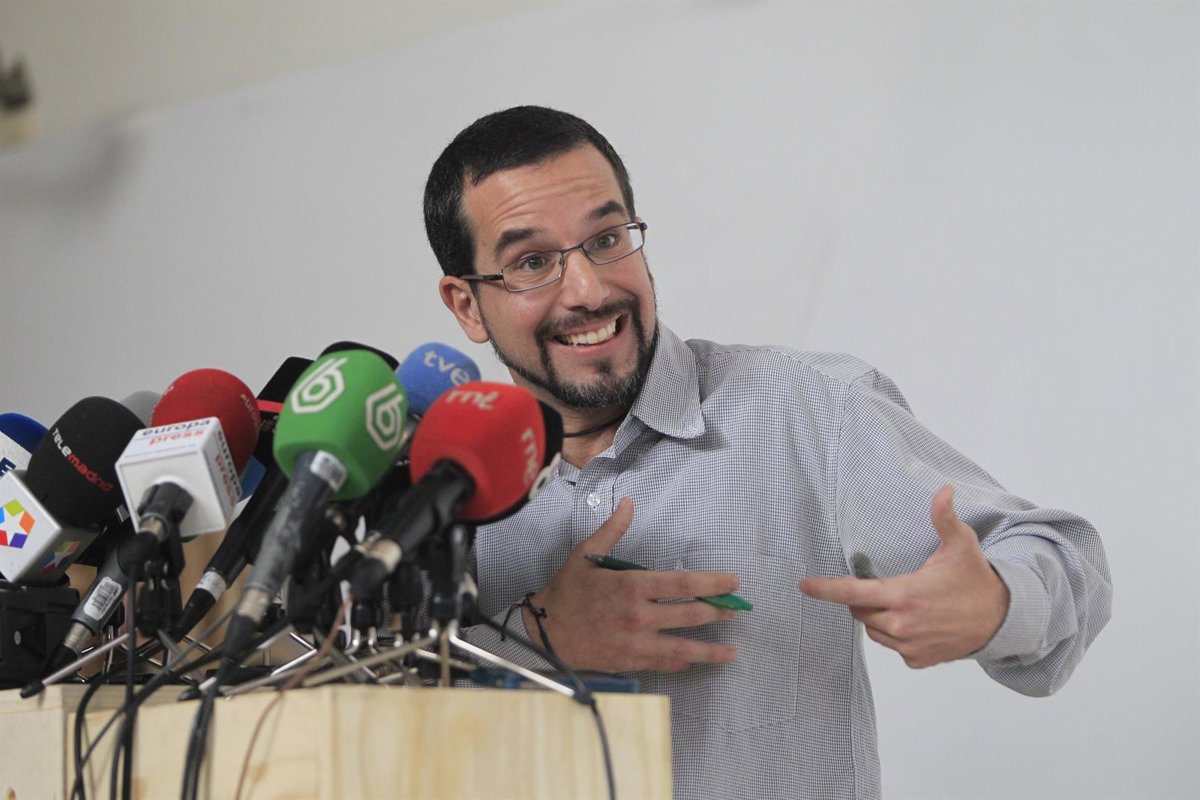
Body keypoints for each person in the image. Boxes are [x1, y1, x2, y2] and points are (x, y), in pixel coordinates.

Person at [422, 106, 1112, 799]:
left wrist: (996, 600)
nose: (590, 289)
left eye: (606, 239)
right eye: (532, 263)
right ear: (467, 306)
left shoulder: (813, 411)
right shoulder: (430, 486)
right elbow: (389, 709)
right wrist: (534, 638)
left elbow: (1062, 554)